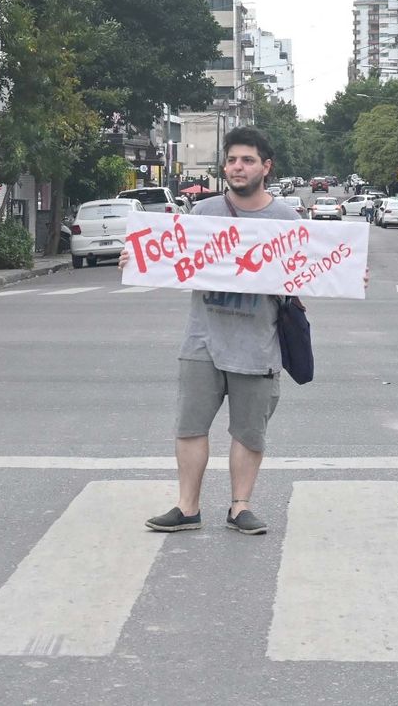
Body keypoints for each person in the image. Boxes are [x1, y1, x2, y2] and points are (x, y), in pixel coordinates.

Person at [121, 127, 298, 536]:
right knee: (190, 426)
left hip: (258, 342)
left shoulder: (286, 219)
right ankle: (188, 507)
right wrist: (137, 260)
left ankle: (240, 507)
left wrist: (344, 273)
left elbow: (309, 273)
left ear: (266, 167)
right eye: (233, 159)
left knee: (249, 431)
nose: (238, 167)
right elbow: (170, 256)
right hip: (202, 339)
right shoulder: (202, 214)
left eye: (248, 160)